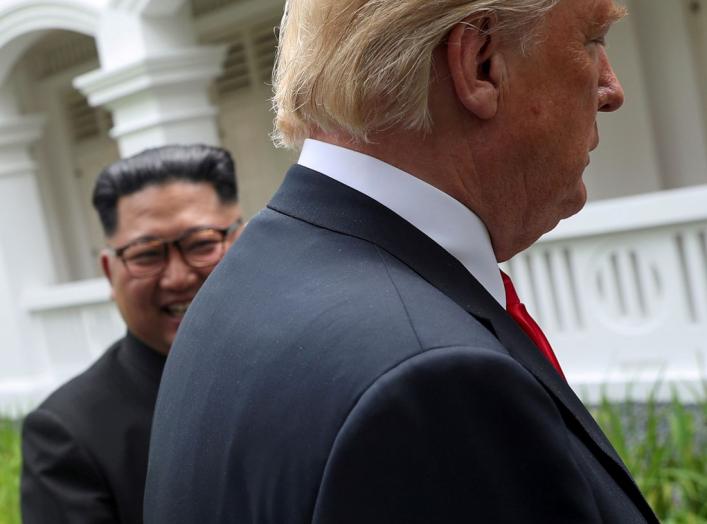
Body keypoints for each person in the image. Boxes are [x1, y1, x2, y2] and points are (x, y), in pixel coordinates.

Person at [145, 1, 659, 522]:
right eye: (592, 41)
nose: (611, 90)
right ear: (480, 62)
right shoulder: (434, 382)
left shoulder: (248, 279)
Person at [21, 144, 242, 523]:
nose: (179, 277)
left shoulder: (308, 373)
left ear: (243, 244)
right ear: (109, 272)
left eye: (202, 245)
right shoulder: (68, 434)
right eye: (147, 254)